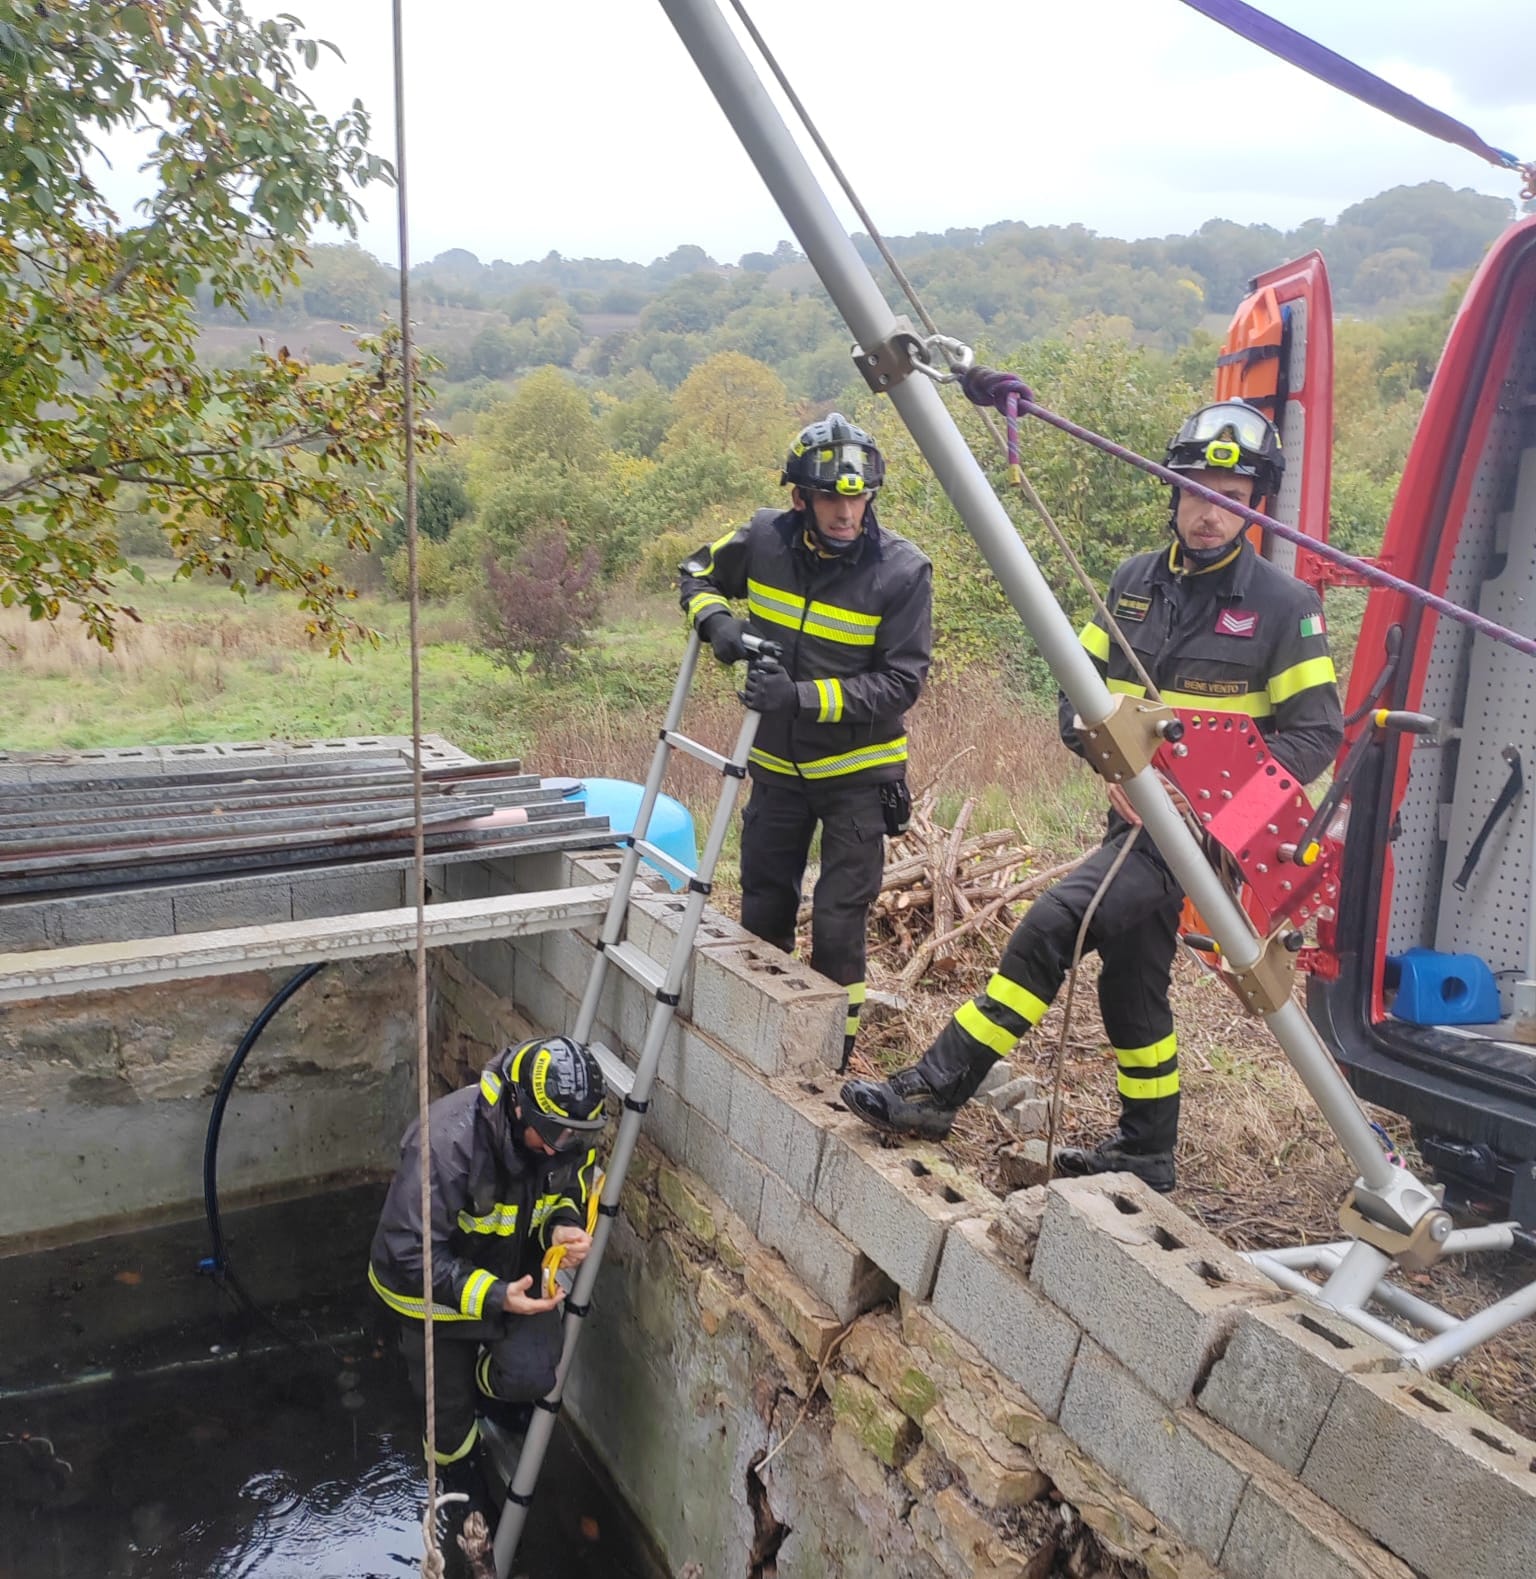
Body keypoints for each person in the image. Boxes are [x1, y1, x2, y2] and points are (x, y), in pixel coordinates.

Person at [840, 400, 1343, 1191]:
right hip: (1131, 819)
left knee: (1049, 926)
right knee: (1130, 983)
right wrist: (1115, 769)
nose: (1209, 512)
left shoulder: (1286, 608)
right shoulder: (1130, 583)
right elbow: (1077, 699)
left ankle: (936, 1089)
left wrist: (1208, 806)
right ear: (1172, 488)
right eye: (1196, 490)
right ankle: (1147, 1152)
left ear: (1255, 505)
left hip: (1202, 840)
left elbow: (1316, 734)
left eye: (1231, 496)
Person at [678, 413, 933, 1067]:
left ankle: (828, 1057)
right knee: (764, 901)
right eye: (831, 497)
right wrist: (717, 625)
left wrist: (800, 697)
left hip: (859, 775)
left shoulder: (903, 571)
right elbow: (695, 571)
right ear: (800, 497)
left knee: (837, 922)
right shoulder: (764, 538)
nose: (846, 512)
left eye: (857, 496)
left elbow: (900, 684)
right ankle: (757, 1033)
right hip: (777, 769)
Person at [368, 1036, 606, 1534]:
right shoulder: (445, 1146)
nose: (565, 1146)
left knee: (535, 1374)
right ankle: (459, 1470)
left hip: (506, 1280)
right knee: (448, 1415)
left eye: (576, 1136)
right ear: (518, 1108)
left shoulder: (564, 1138)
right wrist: (496, 1296)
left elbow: (570, 1185)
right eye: (555, 1134)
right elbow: (407, 1254)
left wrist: (561, 1224)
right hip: (431, 1299)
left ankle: (490, 1393)